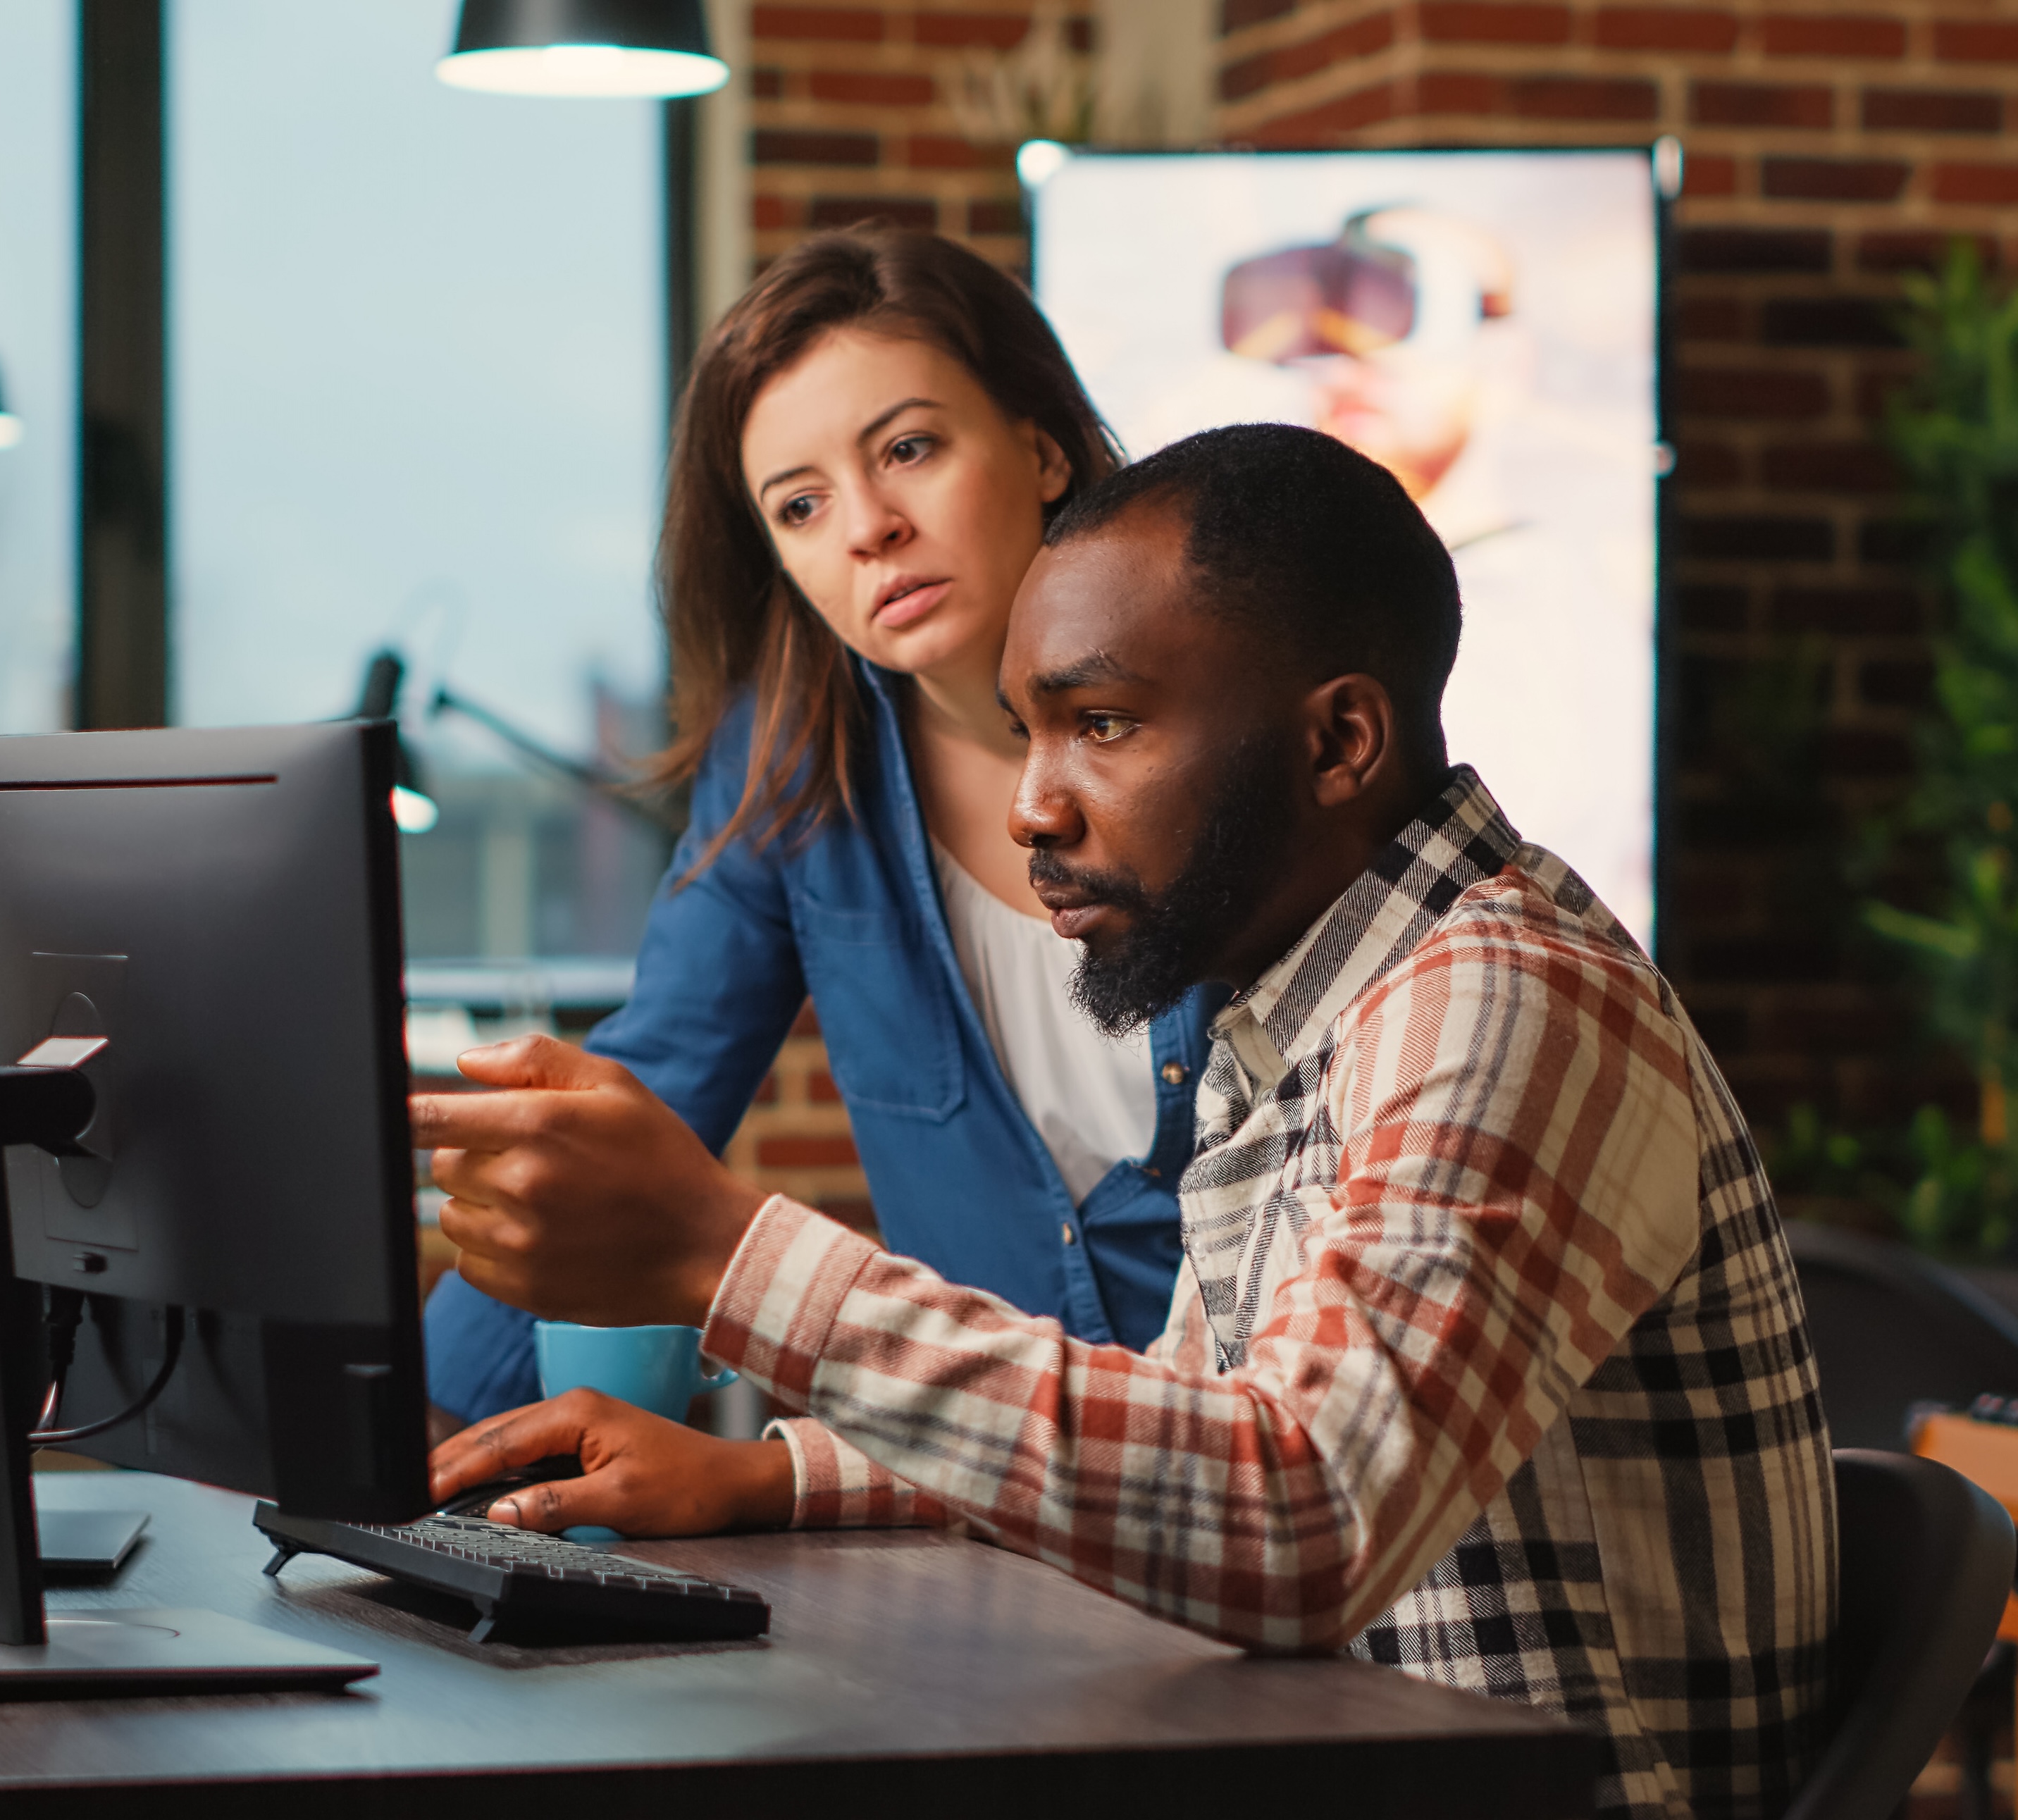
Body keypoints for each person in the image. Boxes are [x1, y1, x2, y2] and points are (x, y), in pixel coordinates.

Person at [414, 424, 1836, 1820]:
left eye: (1101, 724)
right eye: (1030, 729)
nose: (1032, 804)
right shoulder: (1289, 1011)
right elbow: (1197, 1433)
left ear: (1338, 738)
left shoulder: (1503, 998)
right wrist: (772, 1470)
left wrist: (727, 1258)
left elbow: (1306, 1515)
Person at [421, 229, 1223, 1428]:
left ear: (1041, 449)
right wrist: (401, 1434)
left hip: (1293, 1493)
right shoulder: (795, 760)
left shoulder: (1230, 704)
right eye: (801, 506)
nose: (868, 528)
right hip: (999, 1520)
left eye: (908, 449)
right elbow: (651, 1087)